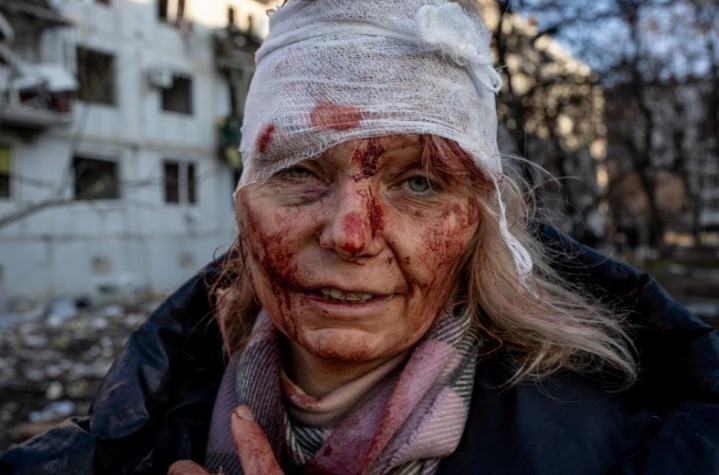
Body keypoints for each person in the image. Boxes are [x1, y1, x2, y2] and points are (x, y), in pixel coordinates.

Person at [2, 0, 719, 474]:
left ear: (478, 222)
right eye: (299, 170)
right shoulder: (128, 445)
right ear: (243, 201)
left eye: (418, 183)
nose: (349, 234)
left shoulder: (623, 451)